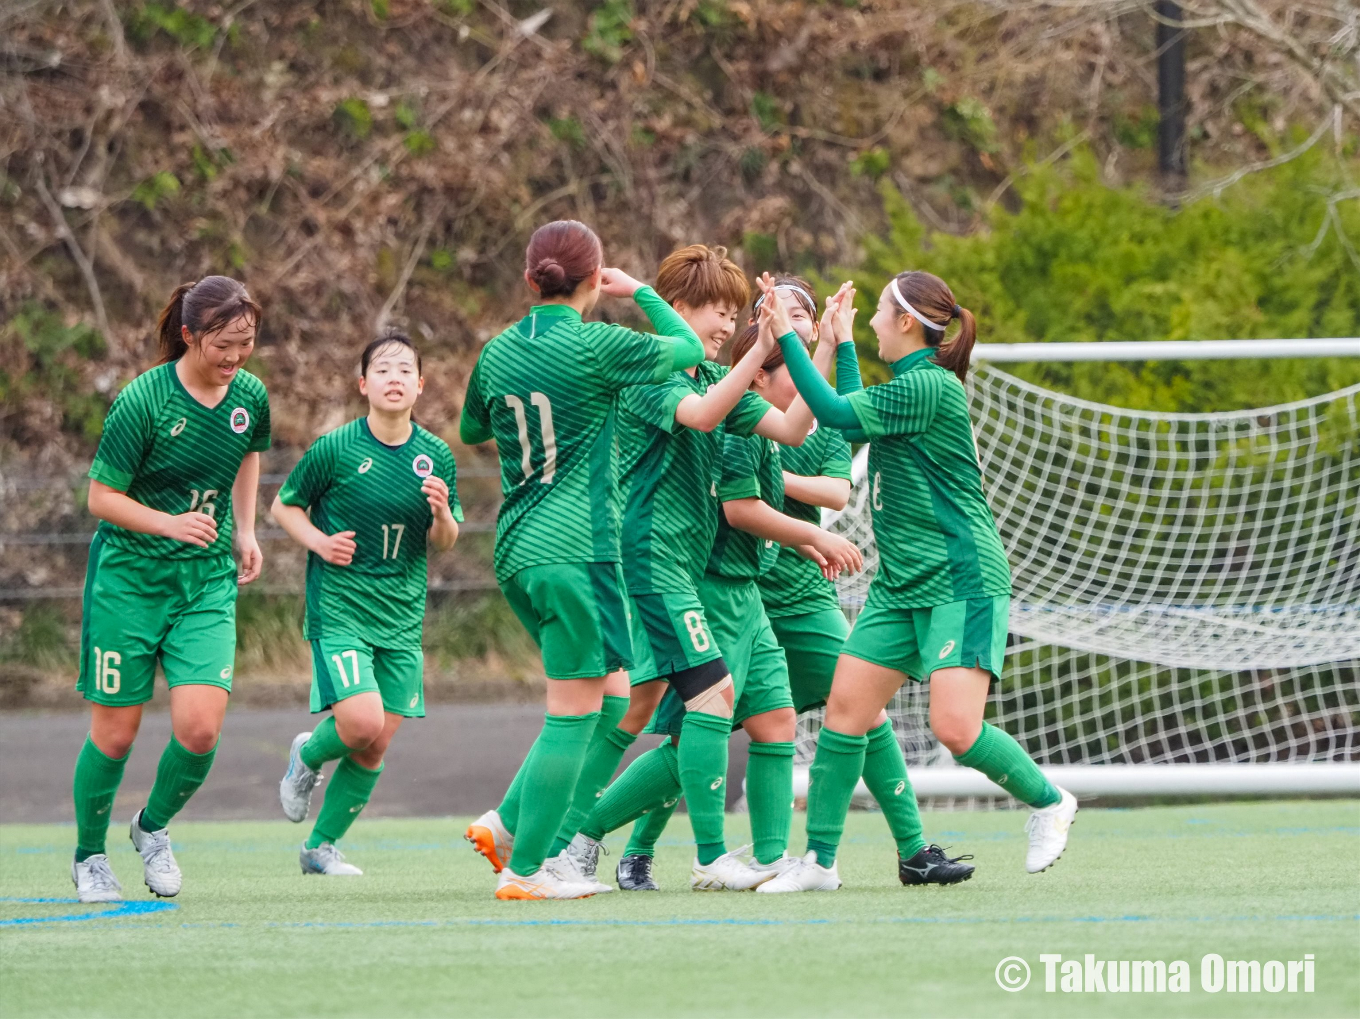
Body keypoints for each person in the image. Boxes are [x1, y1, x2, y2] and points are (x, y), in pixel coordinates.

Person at [547, 245, 860, 893]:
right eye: (717, 310)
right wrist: (756, 344)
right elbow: (707, 420)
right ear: (679, 310)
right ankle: (596, 841)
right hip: (664, 567)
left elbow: (794, 428)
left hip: (713, 581)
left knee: (771, 718)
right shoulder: (655, 375)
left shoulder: (715, 379)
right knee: (677, 710)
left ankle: (765, 857)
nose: (727, 323)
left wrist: (816, 345)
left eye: (734, 312)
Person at [758, 270, 1078, 894]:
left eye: (879, 311)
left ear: (906, 322)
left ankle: (1049, 800)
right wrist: (840, 345)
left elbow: (831, 411)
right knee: (846, 715)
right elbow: (849, 425)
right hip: (902, 585)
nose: (873, 321)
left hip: (961, 579)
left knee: (956, 729)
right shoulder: (906, 387)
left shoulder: (929, 384)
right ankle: (819, 862)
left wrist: (787, 335)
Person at [459, 220, 710, 900]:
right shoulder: (598, 343)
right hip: (578, 549)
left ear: (528, 278)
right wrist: (643, 293)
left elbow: (472, 427)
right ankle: (527, 870)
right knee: (574, 710)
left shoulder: (497, 351)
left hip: (518, 548)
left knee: (615, 695)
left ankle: (508, 825)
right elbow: (689, 349)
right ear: (596, 279)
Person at [70, 276, 269, 903]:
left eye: (246, 343)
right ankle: (89, 856)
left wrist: (245, 530)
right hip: (128, 580)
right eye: (222, 345)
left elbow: (248, 453)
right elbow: (101, 497)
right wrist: (168, 523)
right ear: (188, 335)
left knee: (201, 730)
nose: (235, 357)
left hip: (205, 581)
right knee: (115, 734)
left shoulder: (250, 396)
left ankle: (151, 827)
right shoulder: (144, 400)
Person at [273, 330, 461, 876]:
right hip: (342, 606)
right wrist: (319, 542)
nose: (394, 378)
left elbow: (445, 540)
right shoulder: (335, 449)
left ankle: (320, 847)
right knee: (359, 724)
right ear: (363, 384)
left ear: (421, 385)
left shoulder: (436, 455)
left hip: (401, 614)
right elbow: (284, 507)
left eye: (405, 370)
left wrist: (442, 514)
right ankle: (306, 755)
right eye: (382, 369)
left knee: (375, 745)